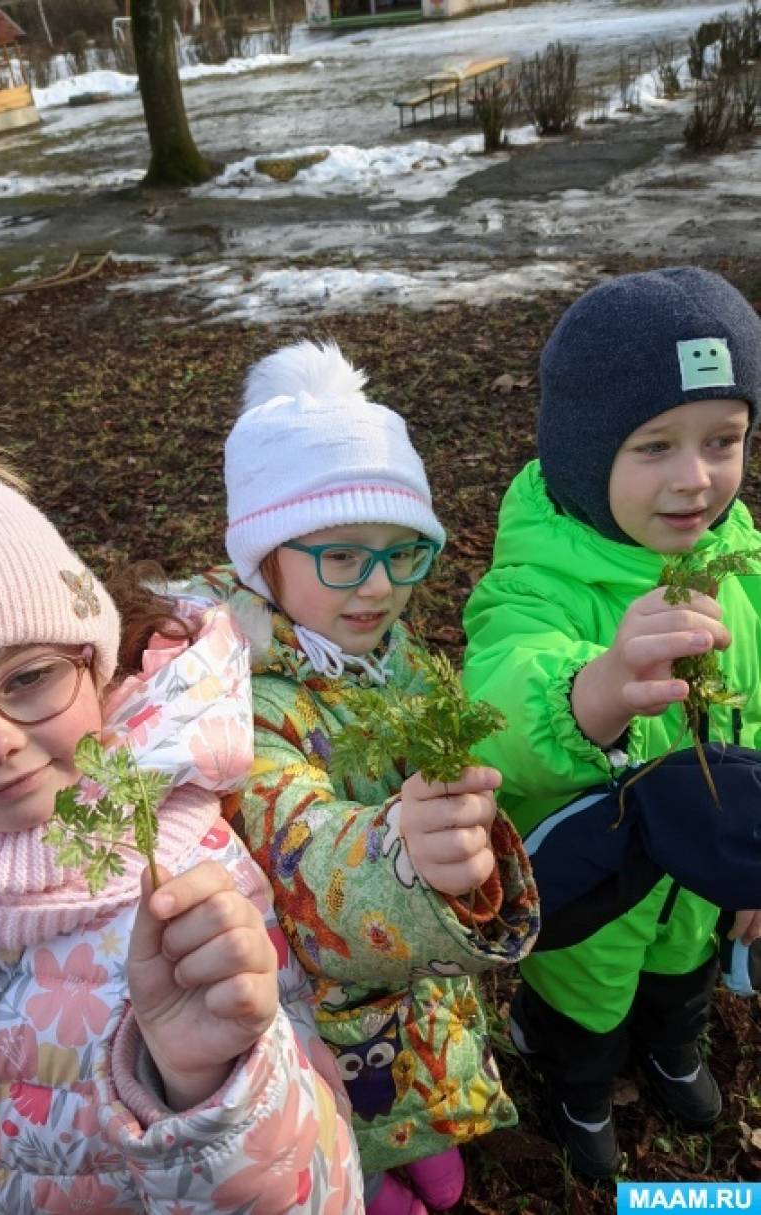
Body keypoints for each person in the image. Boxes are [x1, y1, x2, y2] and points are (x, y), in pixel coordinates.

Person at [0, 368, 362, 1214]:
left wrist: (204, 1082)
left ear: (95, 662)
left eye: (30, 677)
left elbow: (317, 1191)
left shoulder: (185, 868)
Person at [181, 341, 539, 1215]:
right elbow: (301, 849)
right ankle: (360, 1167)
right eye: (342, 556)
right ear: (266, 557)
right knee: (356, 1144)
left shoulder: (394, 656)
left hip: (418, 1002)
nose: (379, 587)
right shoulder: (242, 701)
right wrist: (401, 855)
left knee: (443, 1163)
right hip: (326, 1022)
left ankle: (422, 1134)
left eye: (401, 552)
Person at [462, 267, 761, 1179]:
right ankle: (578, 1089)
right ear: (585, 453)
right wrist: (588, 692)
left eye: (725, 439)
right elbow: (498, 701)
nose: (695, 478)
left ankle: (674, 1051)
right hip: (595, 891)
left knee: (684, 977)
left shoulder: (738, 559)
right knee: (586, 1000)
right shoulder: (535, 582)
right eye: (655, 446)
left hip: (701, 886)